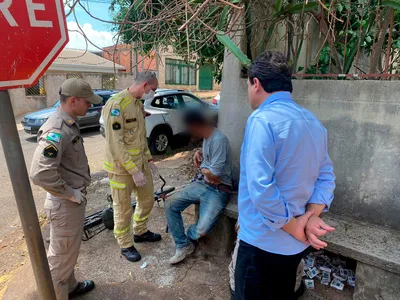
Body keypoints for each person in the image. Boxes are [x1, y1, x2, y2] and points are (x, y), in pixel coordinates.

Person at [235, 50, 336, 300]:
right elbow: (326, 178)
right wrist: (310, 218)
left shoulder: (262, 120)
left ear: (255, 83)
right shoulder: (313, 122)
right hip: (294, 249)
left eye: (248, 85)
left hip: (261, 245)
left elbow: (262, 190)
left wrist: (294, 227)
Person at [30, 78, 101, 300]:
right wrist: (70, 193)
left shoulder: (68, 121)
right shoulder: (57, 128)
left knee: (68, 253)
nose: (91, 106)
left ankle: (70, 287)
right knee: (59, 262)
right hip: (65, 204)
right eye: (87, 102)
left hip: (69, 203)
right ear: (73, 100)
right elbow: (40, 173)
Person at [102, 71, 161, 263]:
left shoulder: (137, 104)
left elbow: (139, 139)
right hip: (121, 169)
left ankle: (140, 231)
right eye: (152, 90)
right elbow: (115, 144)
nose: (152, 93)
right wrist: (133, 171)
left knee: (147, 200)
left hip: (140, 165)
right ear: (144, 86)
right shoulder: (117, 105)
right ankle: (125, 244)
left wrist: (149, 161)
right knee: (123, 208)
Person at [165, 110, 233, 265]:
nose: (189, 132)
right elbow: (209, 165)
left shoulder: (219, 140)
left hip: (218, 189)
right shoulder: (207, 138)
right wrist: (199, 153)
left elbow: (214, 176)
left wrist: (202, 169)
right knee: (170, 203)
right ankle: (183, 245)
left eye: (189, 128)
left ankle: (190, 235)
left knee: (201, 230)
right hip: (203, 184)